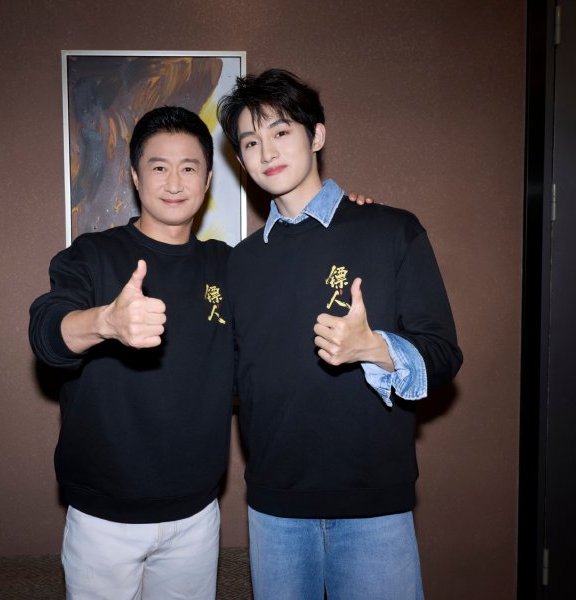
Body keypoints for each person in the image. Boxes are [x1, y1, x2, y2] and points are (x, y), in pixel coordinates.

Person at [218, 69, 463, 599]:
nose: (267, 151)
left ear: (317, 136)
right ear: (241, 160)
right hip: (275, 507)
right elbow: (231, 374)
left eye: (281, 131)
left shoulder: (391, 229)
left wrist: (374, 348)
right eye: (251, 142)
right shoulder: (239, 262)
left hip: (374, 504)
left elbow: (444, 355)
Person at [29, 106, 233, 599]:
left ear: (207, 180)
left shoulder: (229, 265)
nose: (174, 182)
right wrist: (105, 322)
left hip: (196, 512)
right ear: (136, 178)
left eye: (189, 168)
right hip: (104, 516)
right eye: (158, 167)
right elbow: (47, 332)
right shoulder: (92, 254)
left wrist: (350, 219)